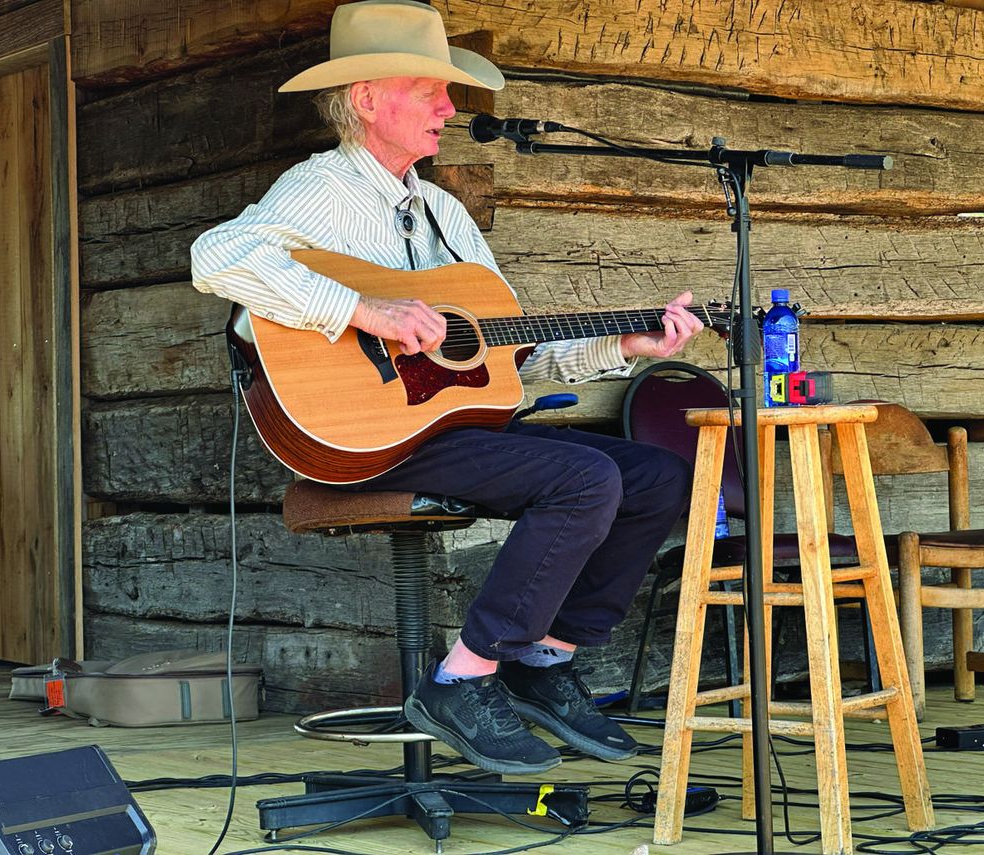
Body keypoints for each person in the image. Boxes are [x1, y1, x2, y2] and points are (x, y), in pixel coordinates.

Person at [191, 0, 704, 776]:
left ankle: (544, 654)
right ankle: (461, 679)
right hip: (360, 435)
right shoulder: (322, 188)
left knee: (657, 475)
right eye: (428, 88)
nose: (449, 106)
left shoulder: (442, 214)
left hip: (452, 433)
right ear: (366, 100)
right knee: (584, 477)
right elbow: (215, 257)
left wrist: (620, 343)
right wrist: (365, 309)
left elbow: (500, 359)